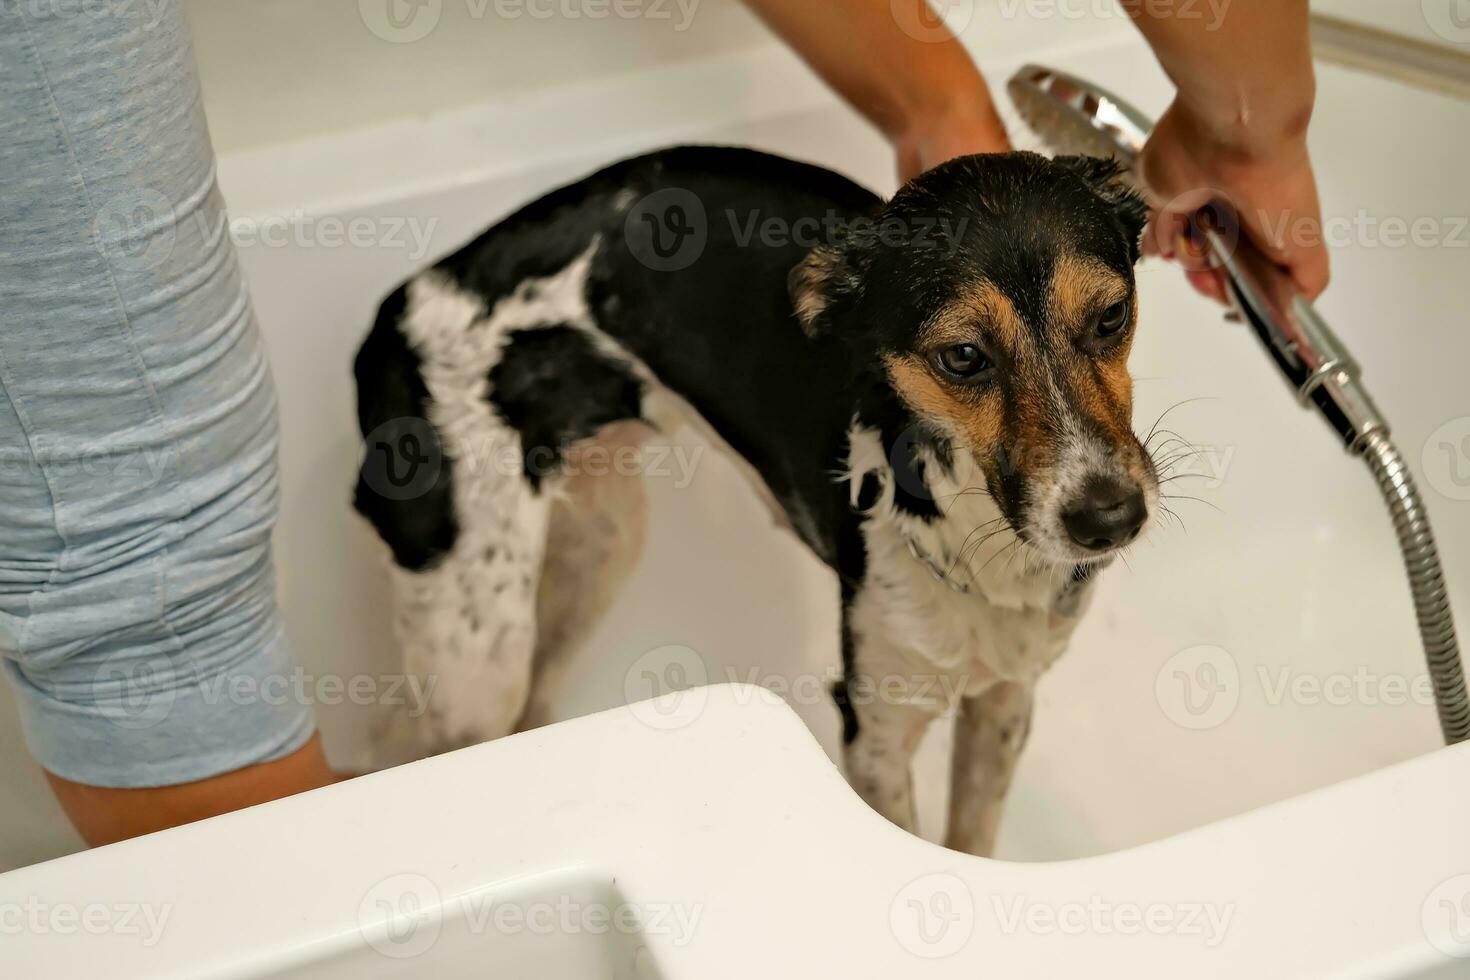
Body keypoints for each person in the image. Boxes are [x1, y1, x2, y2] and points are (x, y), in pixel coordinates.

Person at [0, 0, 1326, 847]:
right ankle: (423, 848)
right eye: (966, 363)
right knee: (467, 718)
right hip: (496, 354)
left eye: (1103, 328)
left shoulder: (1055, 467)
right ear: (848, 331)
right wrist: (1258, 117)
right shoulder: (840, 330)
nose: (1093, 471)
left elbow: (1017, 650)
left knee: (963, 677)